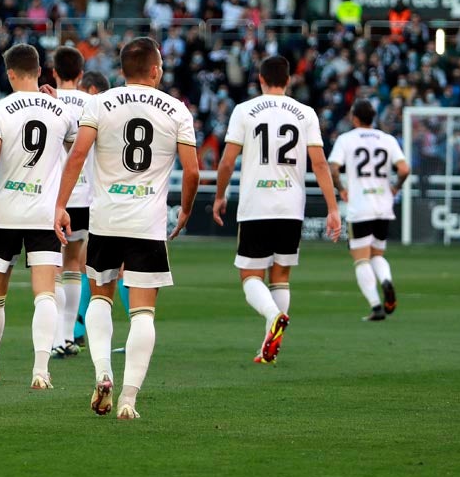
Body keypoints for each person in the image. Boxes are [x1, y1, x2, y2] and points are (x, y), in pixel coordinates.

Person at [54, 37, 199, 420]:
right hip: (147, 224)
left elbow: (78, 154)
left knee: (101, 298)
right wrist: (185, 211)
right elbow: (194, 170)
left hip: (105, 220)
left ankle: (103, 372)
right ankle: (129, 400)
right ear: (155, 70)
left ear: (122, 70)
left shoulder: (99, 104)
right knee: (143, 314)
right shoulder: (176, 110)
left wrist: (59, 204)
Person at [211, 55, 342, 363]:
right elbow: (320, 162)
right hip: (291, 206)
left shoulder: (244, 110)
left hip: (257, 203)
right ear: (289, 80)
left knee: (250, 276)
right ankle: (268, 344)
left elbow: (228, 160)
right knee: (280, 276)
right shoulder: (305, 113)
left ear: (260, 79)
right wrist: (333, 208)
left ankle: (273, 317)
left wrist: (220, 195)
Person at [0, 44, 77, 390]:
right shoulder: (60, 111)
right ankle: (41, 369)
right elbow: (75, 152)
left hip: (6, 212)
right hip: (44, 212)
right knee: (45, 293)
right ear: (40, 71)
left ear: (10, 74)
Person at [49, 46, 110, 359]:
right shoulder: (95, 102)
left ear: (55, 72)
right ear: (81, 73)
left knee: (53, 268)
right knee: (74, 264)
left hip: (53, 196)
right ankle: (68, 336)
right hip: (86, 196)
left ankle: (57, 337)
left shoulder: (47, 102)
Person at [327, 100, 410, 321]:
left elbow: (332, 168)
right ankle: (386, 281)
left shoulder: (346, 139)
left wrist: (341, 189)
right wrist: (395, 187)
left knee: (361, 259)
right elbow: (404, 169)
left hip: (360, 206)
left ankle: (375, 306)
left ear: (354, 118)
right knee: (377, 254)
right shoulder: (387, 139)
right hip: (383, 206)